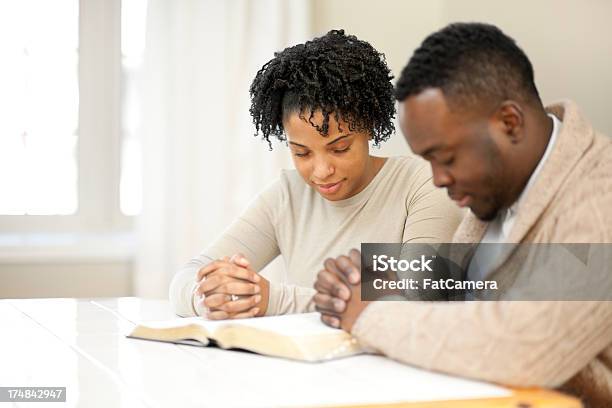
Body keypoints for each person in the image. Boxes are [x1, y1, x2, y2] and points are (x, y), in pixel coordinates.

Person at [313, 23, 612, 406]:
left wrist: (370, 314)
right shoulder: (500, 190)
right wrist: (361, 278)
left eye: (447, 158)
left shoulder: (599, 197)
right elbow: (456, 285)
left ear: (509, 123)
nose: (438, 179)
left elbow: (524, 344)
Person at [169, 30, 462, 320]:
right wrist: (211, 298)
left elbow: (416, 299)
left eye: (340, 148)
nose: (321, 172)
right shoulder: (287, 196)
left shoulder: (423, 184)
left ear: (369, 126)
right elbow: (185, 279)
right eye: (302, 153)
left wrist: (275, 300)